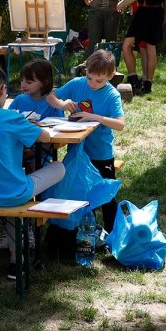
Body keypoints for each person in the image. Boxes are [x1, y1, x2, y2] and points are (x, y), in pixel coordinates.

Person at [0, 65, 65, 280]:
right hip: (13, 193)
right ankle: (17, 257)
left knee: (10, 191)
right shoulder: (11, 119)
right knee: (59, 167)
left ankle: (15, 259)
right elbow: (46, 137)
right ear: (3, 89)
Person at [43, 49, 126, 232]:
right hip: (77, 152)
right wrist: (63, 104)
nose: (93, 84)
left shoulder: (112, 95)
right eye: (89, 78)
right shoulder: (77, 84)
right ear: (85, 70)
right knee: (80, 190)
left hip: (101, 153)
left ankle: (113, 233)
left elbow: (120, 124)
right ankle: (84, 231)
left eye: (99, 80)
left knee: (106, 194)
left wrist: (94, 117)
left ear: (111, 76)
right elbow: (50, 95)